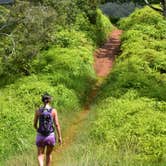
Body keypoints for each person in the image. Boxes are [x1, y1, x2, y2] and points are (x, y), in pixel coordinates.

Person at [34, 93, 62, 166]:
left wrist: (38, 130)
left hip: (40, 136)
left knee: (40, 155)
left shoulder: (38, 111)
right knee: (48, 154)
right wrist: (59, 137)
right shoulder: (53, 111)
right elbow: (56, 124)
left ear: (42, 100)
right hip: (50, 136)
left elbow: (34, 124)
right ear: (49, 100)